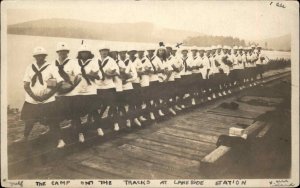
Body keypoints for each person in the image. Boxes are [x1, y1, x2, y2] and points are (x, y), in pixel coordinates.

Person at [20, 46, 65, 148]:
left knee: (53, 121)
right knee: (29, 120)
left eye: (41, 56)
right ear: (34, 57)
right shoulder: (29, 67)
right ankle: (25, 137)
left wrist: (47, 95)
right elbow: (26, 84)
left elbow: (59, 82)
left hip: (48, 100)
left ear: (45, 56)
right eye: (37, 56)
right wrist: (34, 96)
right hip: (32, 100)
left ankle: (60, 140)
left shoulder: (51, 67)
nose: (39, 58)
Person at [72, 44, 100, 143]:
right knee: (77, 113)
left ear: (89, 54)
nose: (84, 54)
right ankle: (80, 133)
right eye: (82, 52)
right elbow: (72, 75)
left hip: (90, 90)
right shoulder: (75, 63)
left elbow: (99, 76)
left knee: (93, 110)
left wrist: (88, 75)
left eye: (86, 52)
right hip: (78, 91)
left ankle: (98, 128)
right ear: (79, 54)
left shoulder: (94, 62)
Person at [94, 44, 120, 132]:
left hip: (109, 86)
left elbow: (116, 72)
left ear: (108, 52)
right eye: (102, 51)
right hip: (98, 87)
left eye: (106, 51)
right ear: (100, 52)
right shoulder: (95, 61)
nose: (104, 52)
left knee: (113, 105)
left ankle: (115, 123)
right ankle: (98, 124)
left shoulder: (111, 60)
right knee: (96, 107)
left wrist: (109, 74)